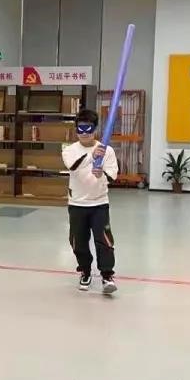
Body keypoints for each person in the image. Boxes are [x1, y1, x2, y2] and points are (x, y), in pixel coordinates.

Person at [62, 109, 119, 295]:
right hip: (77, 203)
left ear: (95, 129)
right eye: (81, 129)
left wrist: (102, 173)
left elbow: (113, 175)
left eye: (89, 129)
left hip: (99, 203)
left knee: (104, 241)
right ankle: (85, 271)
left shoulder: (107, 150)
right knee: (78, 242)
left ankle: (107, 276)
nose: (85, 133)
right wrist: (92, 157)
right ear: (76, 130)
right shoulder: (69, 150)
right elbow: (73, 166)